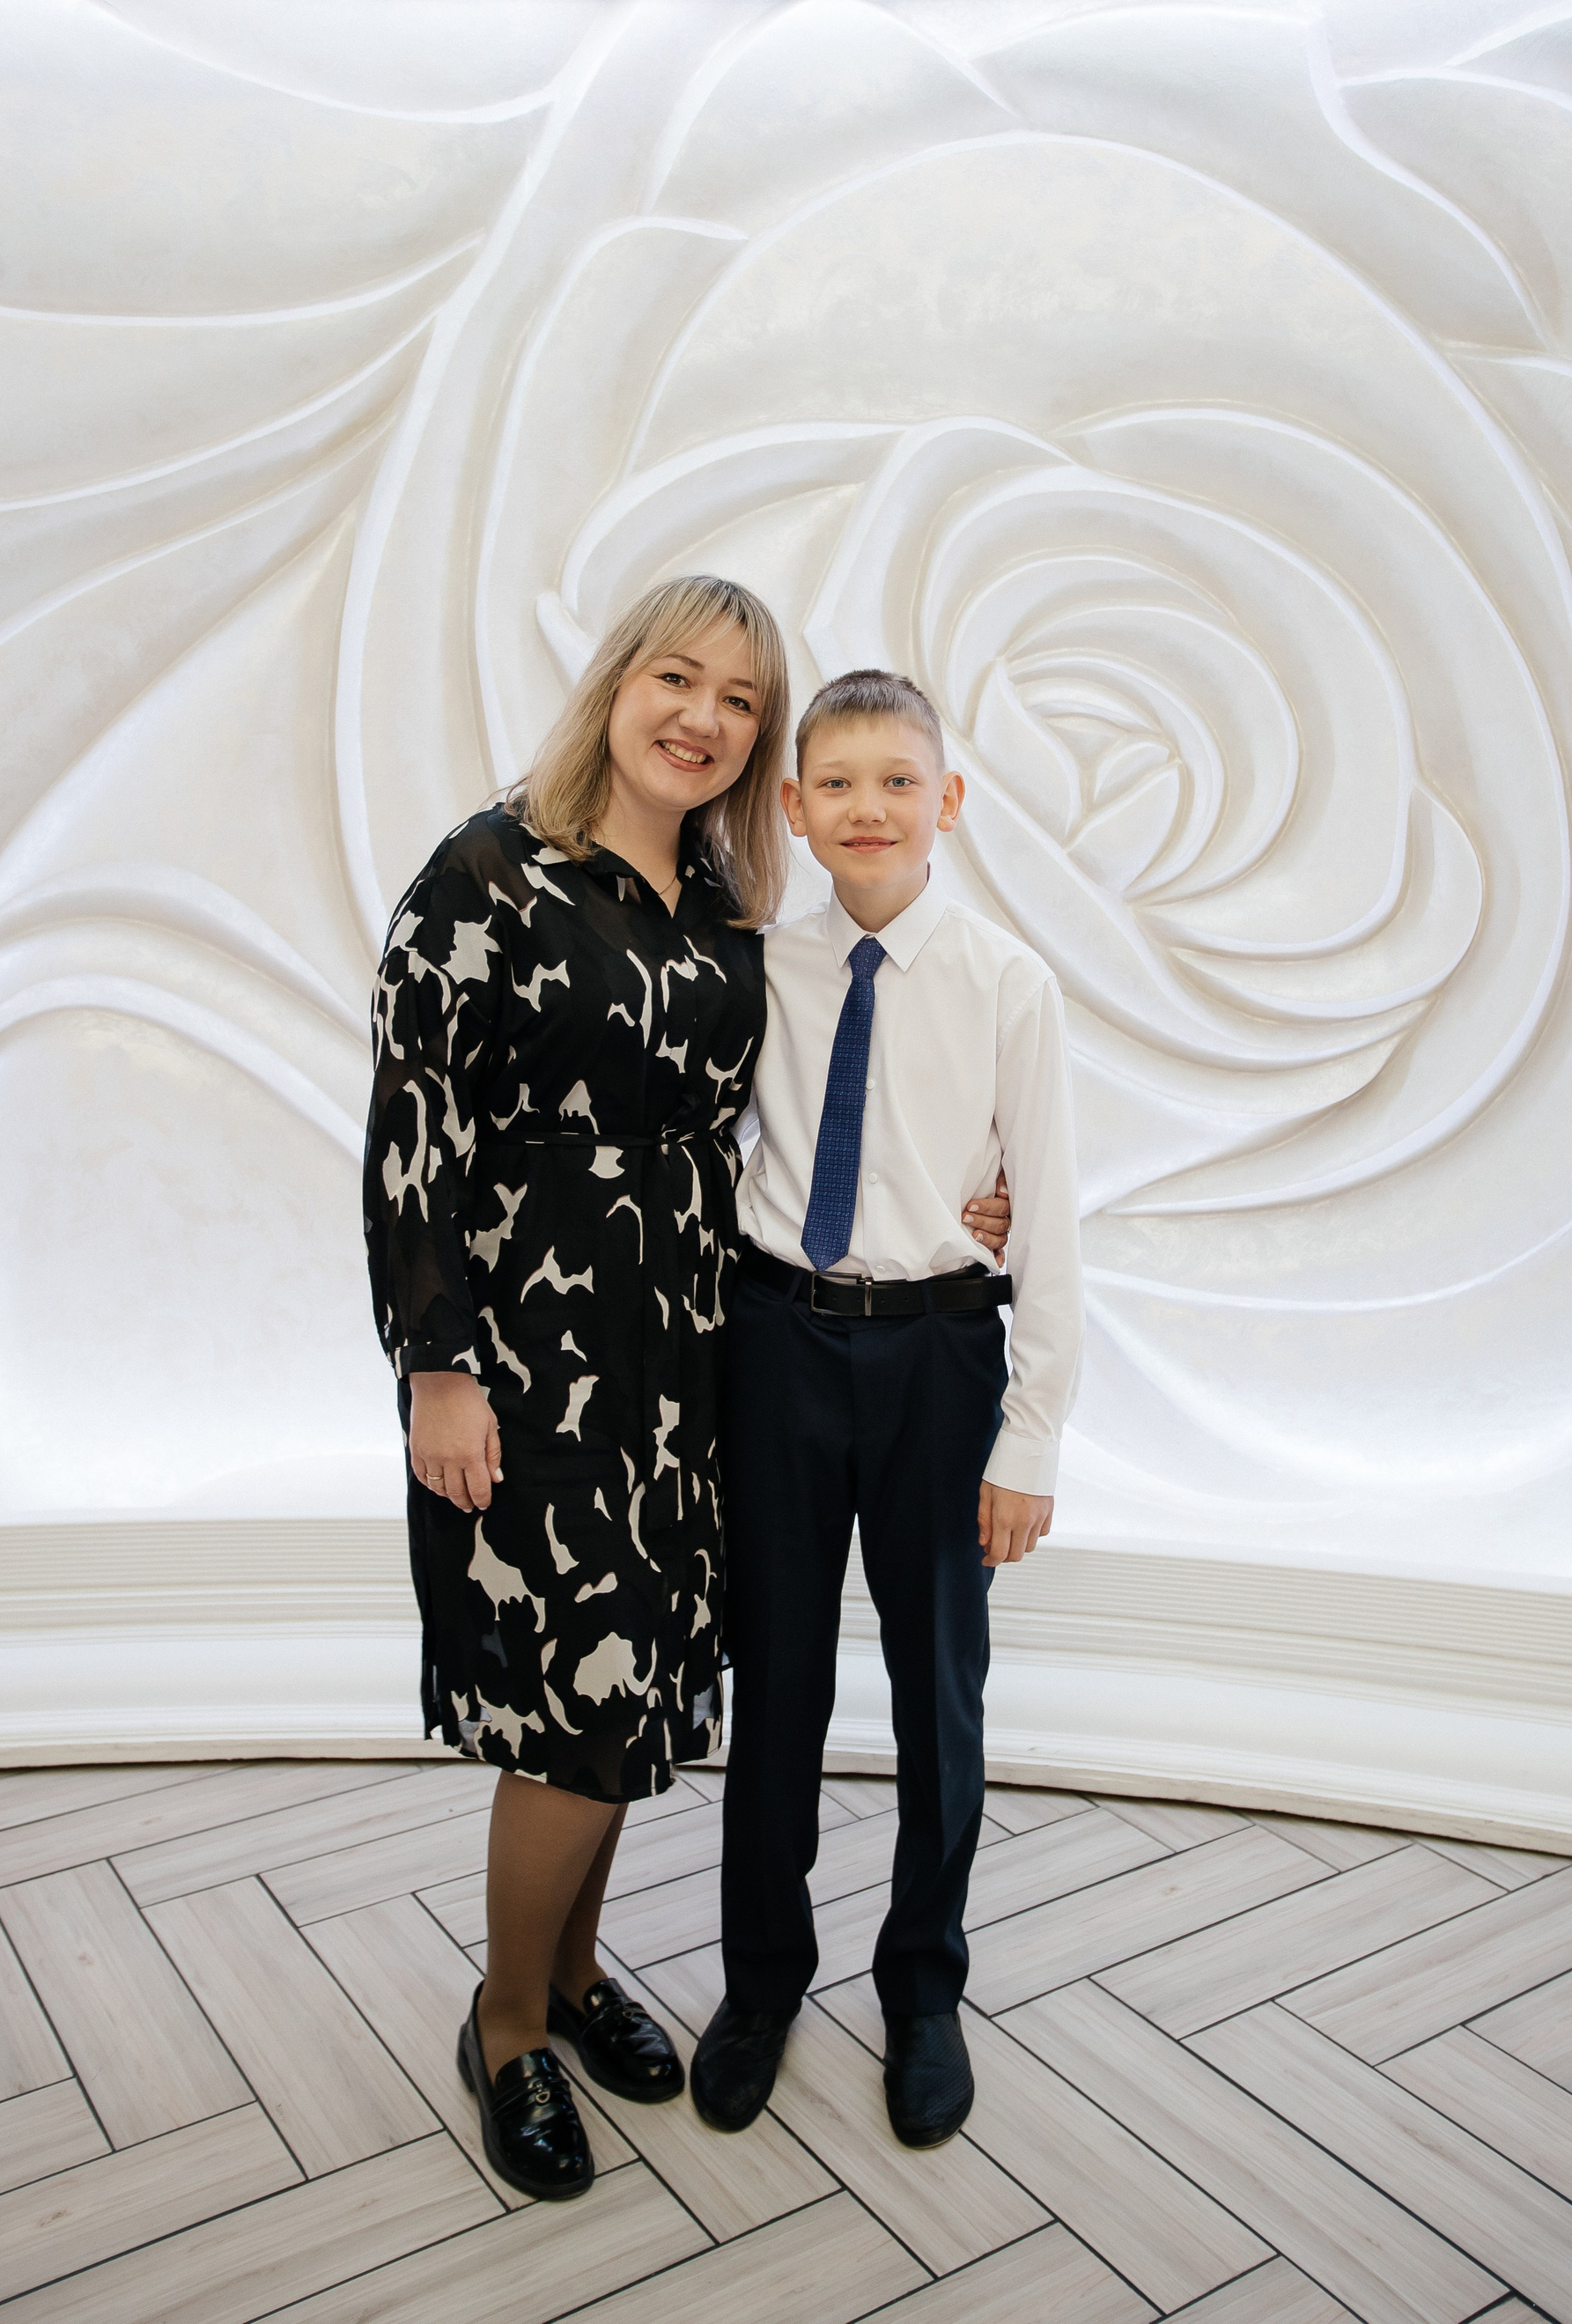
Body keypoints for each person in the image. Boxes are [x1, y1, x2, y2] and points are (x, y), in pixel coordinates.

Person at [364, 589, 1010, 2202]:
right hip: (531, 1363)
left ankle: (578, 1978)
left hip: (696, 1358)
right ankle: (508, 2024)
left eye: (739, 698)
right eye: (677, 678)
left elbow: (805, 1101)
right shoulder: (489, 873)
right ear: (616, 685)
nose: (703, 717)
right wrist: (437, 1368)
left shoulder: (722, 903)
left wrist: (960, 1197)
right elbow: (412, 1135)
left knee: (636, 1689)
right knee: (567, 1709)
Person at [691, 667, 1084, 2151]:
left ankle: (924, 1990)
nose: (870, 808)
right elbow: (708, 1147)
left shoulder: (1007, 983)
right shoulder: (754, 968)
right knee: (778, 1680)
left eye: (899, 781)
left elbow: (1050, 1217)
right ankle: (759, 1985)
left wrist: (1031, 1435)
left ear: (949, 802)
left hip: (939, 1356)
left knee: (940, 1689)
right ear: (793, 807)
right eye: (838, 783)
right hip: (778, 1346)